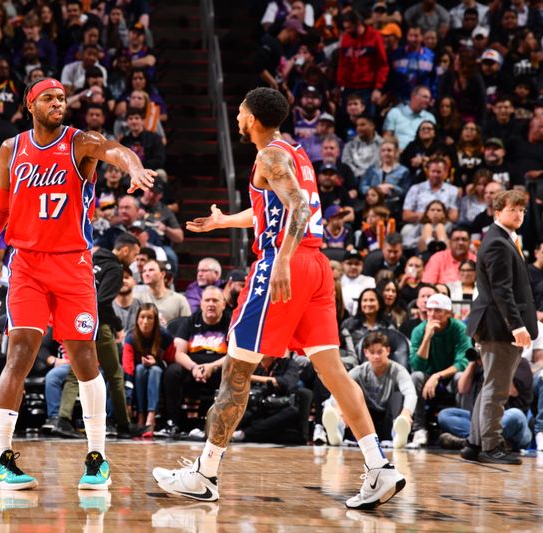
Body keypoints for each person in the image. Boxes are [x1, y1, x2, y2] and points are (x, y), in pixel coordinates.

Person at [152, 88, 405, 509]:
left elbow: (298, 207)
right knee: (333, 372)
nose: (236, 116)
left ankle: (205, 473)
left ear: (251, 117)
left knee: (236, 372)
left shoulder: (268, 155)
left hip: (282, 266)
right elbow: (273, 205)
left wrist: (283, 259)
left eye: (239, 110)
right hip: (319, 268)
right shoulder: (293, 152)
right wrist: (224, 221)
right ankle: (378, 467)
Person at [0, 77, 156, 492]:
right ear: (31, 104)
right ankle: (0, 461)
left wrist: (132, 165)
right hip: (26, 264)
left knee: (84, 358)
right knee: (20, 352)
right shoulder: (12, 149)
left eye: (62, 97)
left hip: (73, 266)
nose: (58, 103)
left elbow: (114, 149)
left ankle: (96, 457)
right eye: (49, 98)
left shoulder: (80, 142)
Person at [463, 190, 537, 464]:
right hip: (499, 327)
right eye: (513, 210)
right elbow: (501, 291)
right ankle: (491, 446)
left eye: (522, 210)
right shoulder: (497, 243)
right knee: (497, 389)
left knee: (490, 386)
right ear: (497, 213)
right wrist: (517, 325)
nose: (518, 214)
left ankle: (473, 442)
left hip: (496, 325)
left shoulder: (504, 240)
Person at [57, 233, 141, 437]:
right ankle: (123, 424)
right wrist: (118, 324)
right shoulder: (114, 269)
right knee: (115, 374)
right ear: (124, 250)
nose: (134, 261)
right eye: (135, 255)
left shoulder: (91, 256)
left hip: (75, 319)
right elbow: (102, 302)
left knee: (75, 372)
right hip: (97, 323)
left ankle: (62, 420)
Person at [156, 285, 229, 437]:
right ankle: (174, 422)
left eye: (215, 300)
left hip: (219, 368)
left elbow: (234, 355)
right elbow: (178, 353)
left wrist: (212, 366)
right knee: (172, 372)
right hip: (193, 367)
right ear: (201, 303)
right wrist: (194, 367)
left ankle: (221, 424)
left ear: (223, 303)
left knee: (234, 372)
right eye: (207, 300)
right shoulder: (190, 322)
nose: (211, 304)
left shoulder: (230, 323)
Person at [323, 332, 416, 448]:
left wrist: (406, 413)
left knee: (398, 396)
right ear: (365, 353)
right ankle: (338, 430)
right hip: (366, 419)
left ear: (387, 350)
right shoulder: (360, 371)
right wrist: (338, 408)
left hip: (388, 419)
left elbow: (411, 393)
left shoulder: (398, 370)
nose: (376, 356)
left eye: (380, 352)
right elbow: (339, 388)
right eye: (372, 352)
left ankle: (398, 434)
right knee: (348, 394)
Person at [409, 293, 471, 446]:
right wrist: (427, 338)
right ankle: (419, 429)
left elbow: (462, 362)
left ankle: (460, 429)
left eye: (437, 310)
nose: (432, 314)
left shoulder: (459, 329)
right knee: (416, 376)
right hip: (427, 378)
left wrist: (437, 376)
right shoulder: (419, 330)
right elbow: (417, 365)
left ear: (448, 313)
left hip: (449, 377)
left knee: (461, 376)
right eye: (429, 310)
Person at [122, 303, 175, 434]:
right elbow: (128, 369)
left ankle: (151, 417)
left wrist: (156, 363)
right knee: (140, 369)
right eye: (142, 317)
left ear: (156, 320)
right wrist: (128, 401)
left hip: (159, 376)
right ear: (137, 319)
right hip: (137, 376)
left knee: (155, 370)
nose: (145, 322)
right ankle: (140, 416)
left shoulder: (166, 336)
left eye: (150, 318)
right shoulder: (130, 337)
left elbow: (171, 360)